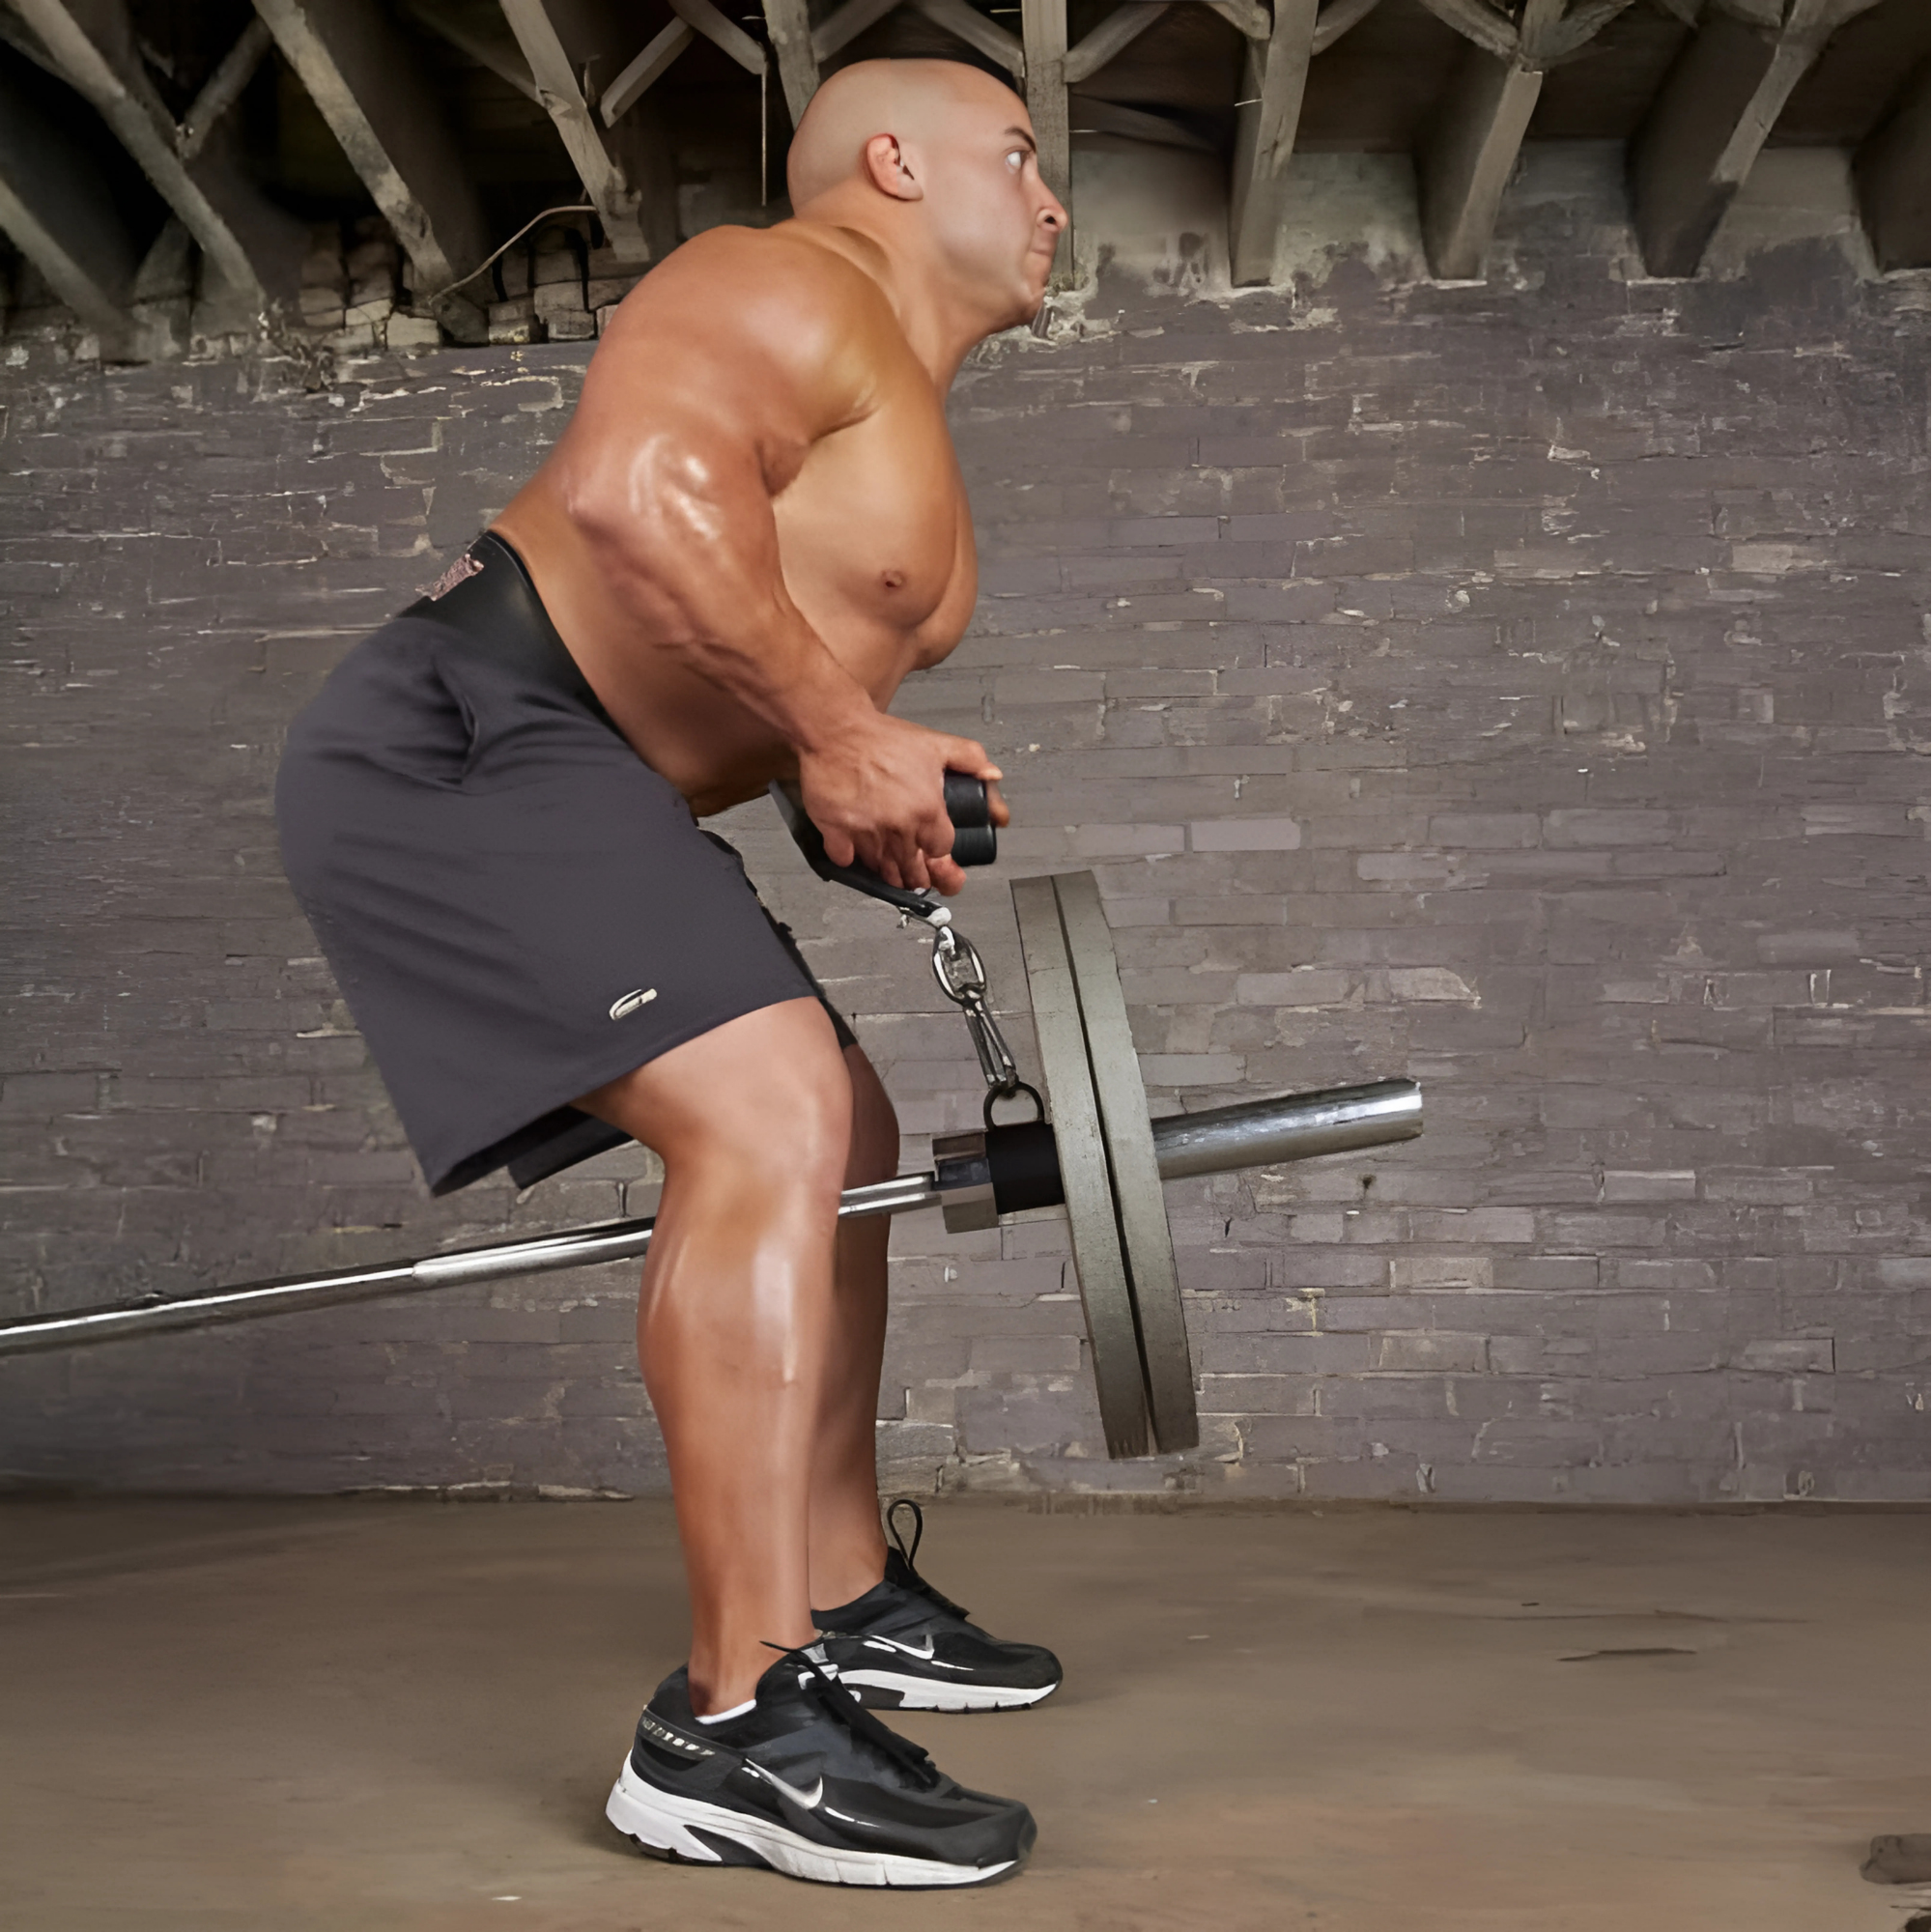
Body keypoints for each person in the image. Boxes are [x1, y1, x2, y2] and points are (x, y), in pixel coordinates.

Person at [274, 57, 1069, 1888]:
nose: (1049, 204)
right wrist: (828, 727)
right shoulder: (781, 280)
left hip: (590, 775)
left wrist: (843, 782)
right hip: (468, 731)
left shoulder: (903, 433)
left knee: (845, 1128)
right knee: (776, 1114)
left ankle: (844, 1591)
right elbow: (637, 497)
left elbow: (749, 679)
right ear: (894, 160)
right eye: (1016, 157)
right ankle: (731, 1725)